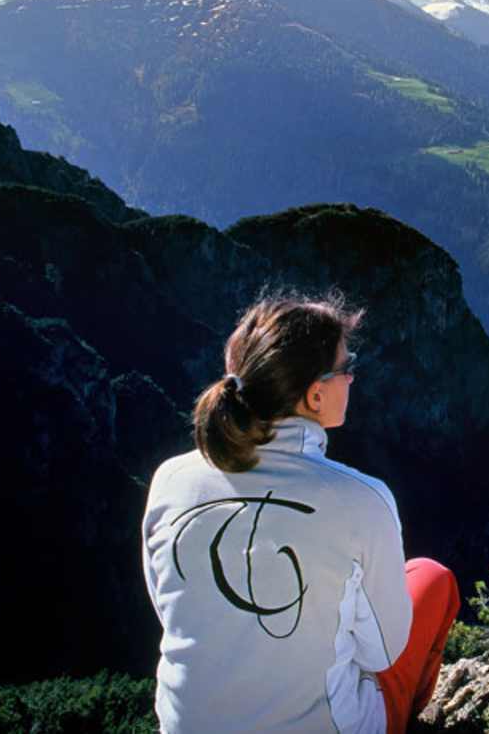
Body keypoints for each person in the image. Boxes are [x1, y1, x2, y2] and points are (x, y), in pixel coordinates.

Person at [142, 293, 460, 734]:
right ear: (315, 394)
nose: (352, 378)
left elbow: (169, 604)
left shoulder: (170, 479)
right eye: (347, 368)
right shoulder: (363, 499)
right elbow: (381, 654)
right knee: (430, 578)